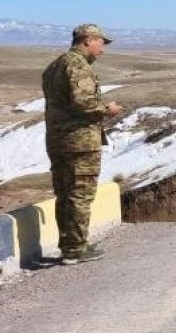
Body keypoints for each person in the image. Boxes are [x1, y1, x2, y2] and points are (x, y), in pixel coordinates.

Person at [41, 24, 123, 265]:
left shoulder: (55, 66)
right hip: (80, 142)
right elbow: (84, 104)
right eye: (101, 43)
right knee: (80, 194)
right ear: (88, 40)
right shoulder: (78, 67)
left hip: (58, 140)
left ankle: (69, 245)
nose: (103, 49)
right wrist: (108, 109)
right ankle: (76, 248)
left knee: (64, 194)